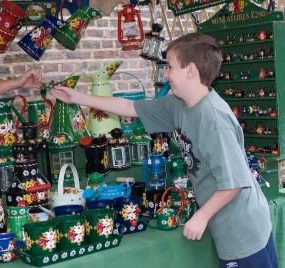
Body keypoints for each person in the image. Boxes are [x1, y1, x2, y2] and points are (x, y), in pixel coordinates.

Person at [50, 33, 277, 268]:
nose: (166, 74)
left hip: (242, 230)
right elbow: (130, 107)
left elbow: (234, 183)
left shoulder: (213, 120)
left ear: (190, 70)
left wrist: (202, 216)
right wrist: (77, 97)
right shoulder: (177, 104)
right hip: (227, 224)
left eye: (170, 67)